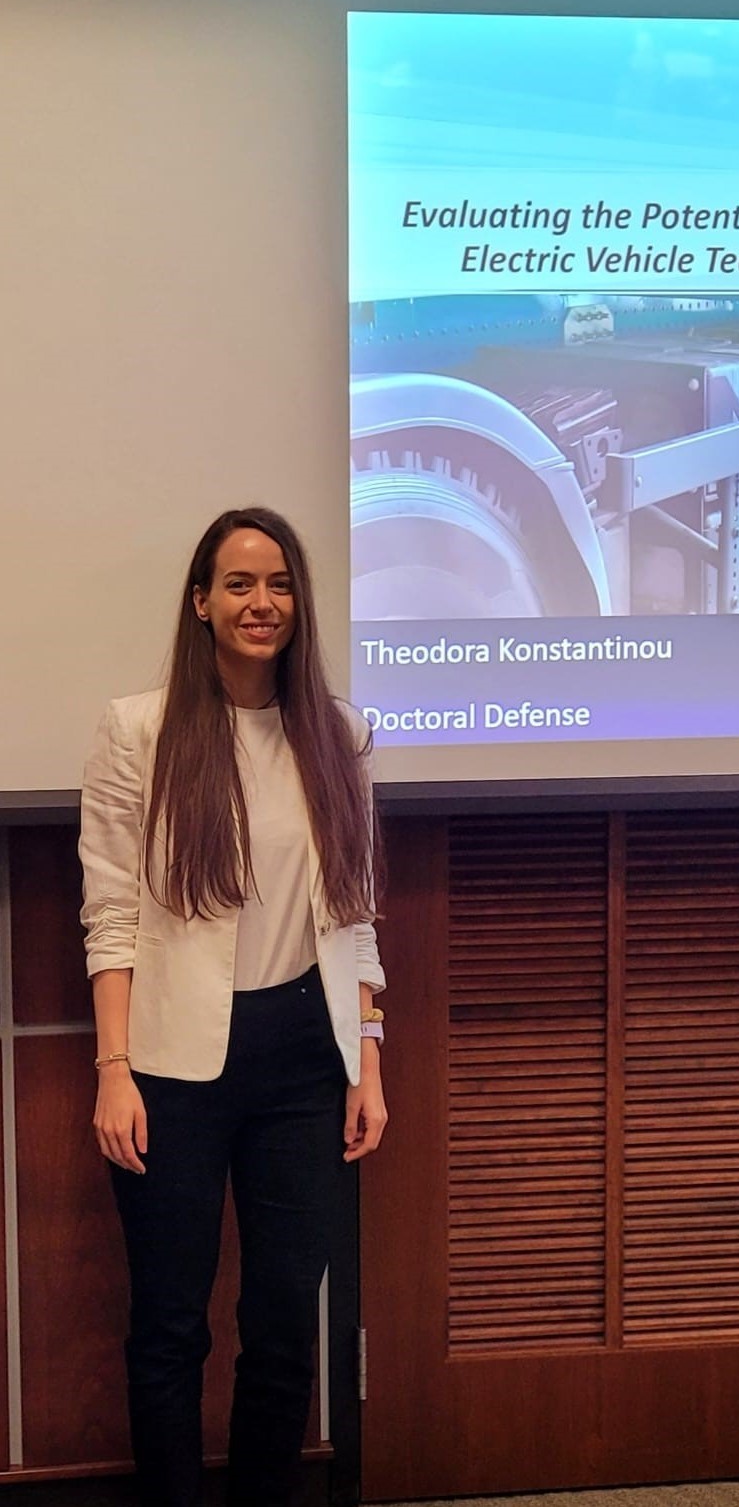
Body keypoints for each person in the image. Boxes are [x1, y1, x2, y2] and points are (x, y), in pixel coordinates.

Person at [79, 506, 388, 1507]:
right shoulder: (139, 731)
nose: (264, 603)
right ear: (201, 603)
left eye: (280, 583)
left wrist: (367, 1062)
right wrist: (114, 1069)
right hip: (171, 1065)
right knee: (171, 1324)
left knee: (285, 1322)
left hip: (303, 1057)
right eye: (241, 584)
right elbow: (111, 914)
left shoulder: (338, 733)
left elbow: (355, 913)